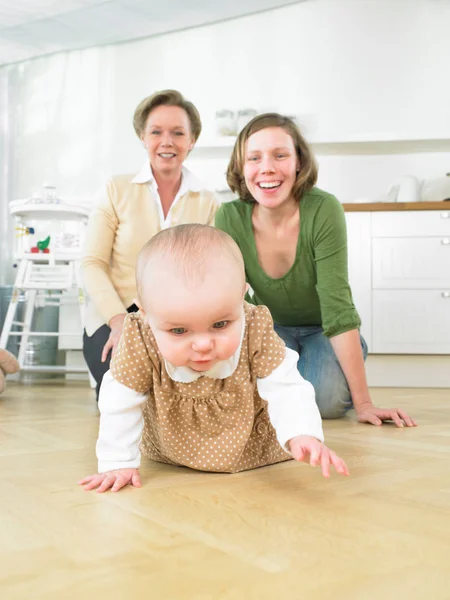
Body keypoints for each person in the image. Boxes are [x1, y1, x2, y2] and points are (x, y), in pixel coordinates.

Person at [78, 225, 349, 493]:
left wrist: (301, 432)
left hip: (252, 447)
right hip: (171, 449)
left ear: (240, 298)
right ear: (146, 314)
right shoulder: (139, 334)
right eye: (179, 330)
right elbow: (121, 399)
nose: (204, 344)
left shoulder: (254, 324)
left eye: (220, 324)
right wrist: (117, 462)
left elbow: (286, 384)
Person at [215, 113, 416, 428]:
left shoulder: (323, 209)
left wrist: (364, 404)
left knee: (326, 403)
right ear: (242, 168)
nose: (266, 167)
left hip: (324, 329)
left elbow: (336, 301)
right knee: (268, 397)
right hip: (272, 329)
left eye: (280, 155)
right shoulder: (229, 217)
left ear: (298, 162)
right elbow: (232, 301)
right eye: (254, 158)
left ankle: (345, 360)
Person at [81, 90, 218, 398]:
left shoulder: (208, 202)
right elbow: (92, 264)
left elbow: (210, 274)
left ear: (192, 140)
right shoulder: (116, 190)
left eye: (178, 133)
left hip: (178, 318)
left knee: (180, 395)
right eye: (156, 132)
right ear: (143, 137)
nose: (166, 141)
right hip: (116, 313)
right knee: (126, 391)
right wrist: (119, 321)